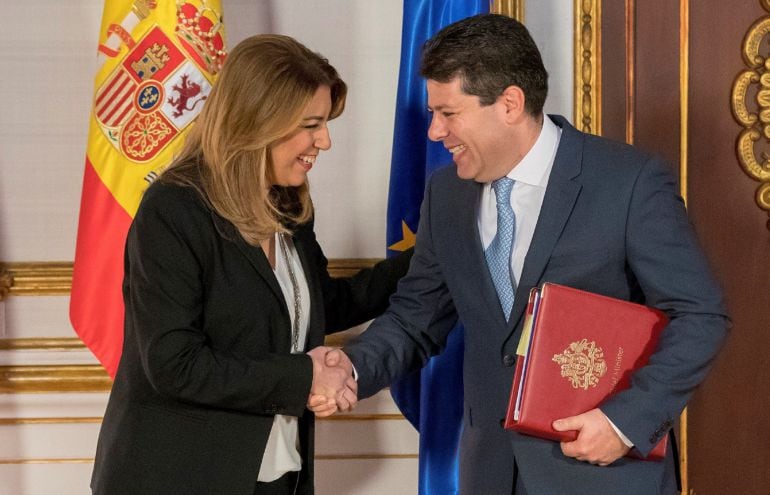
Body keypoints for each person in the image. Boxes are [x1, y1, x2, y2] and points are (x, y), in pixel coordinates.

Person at [309, 13, 729, 494]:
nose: (434, 132)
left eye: (448, 113)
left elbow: (701, 315)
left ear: (509, 103)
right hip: (489, 471)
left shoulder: (627, 182)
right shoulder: (446, 195)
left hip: (602, 472)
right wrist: (354, 366)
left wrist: (623, 424)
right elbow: (415, 317)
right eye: (432, 113)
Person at [90, 34, 411, 495]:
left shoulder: (286, 206)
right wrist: (306, 376)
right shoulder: (174, 210)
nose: (325, 141)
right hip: (177, 478)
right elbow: (174, 364)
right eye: (311, 124)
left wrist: (433, 256)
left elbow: (322, 306)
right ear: (259, 122)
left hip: (274, 472)